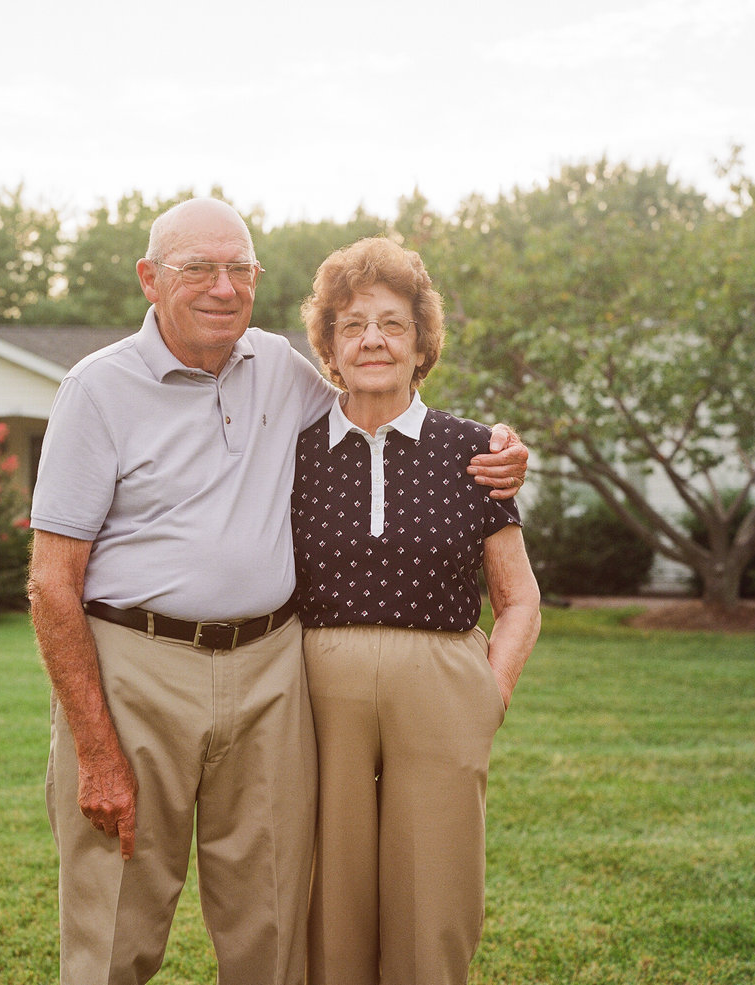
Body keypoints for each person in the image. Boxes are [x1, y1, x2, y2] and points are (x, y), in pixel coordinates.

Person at [27, 198, 529, 985]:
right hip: (137, 669)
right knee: (116, 926)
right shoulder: (97, 390)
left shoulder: (282, 371)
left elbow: (382, 412)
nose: (223, 287)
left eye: (240, 269)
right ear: (150, 279)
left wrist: (500, 450)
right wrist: (95, 749)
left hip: (268, 674)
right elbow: (52, 583)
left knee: (271, 924)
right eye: (199, 268)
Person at [292, 237, 542, 985]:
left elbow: (519, 597)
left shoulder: (475, 451)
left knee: (435, 895)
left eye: (392, 323)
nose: (373, 338)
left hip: (442, 687)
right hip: (315, 689)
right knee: (325, 896)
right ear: (329, 346)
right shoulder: (291, 449)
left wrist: (489, 692)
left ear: (420, 340)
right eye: (353, 324)